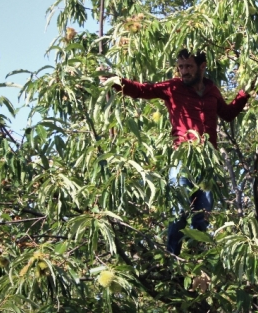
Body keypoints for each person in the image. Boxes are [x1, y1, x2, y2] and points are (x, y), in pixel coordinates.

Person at [105, 49, 249, 255]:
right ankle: (173, 259)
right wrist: (116, 81)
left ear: (202, 66)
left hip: (208, 161)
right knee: (178, 211)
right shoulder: (172, 87)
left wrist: (244, 94)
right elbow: (142, 90)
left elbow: (227, 114)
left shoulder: (211, 89)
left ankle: (197, 260)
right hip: (182, 158)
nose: (184, 71)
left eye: (189, 66)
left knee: (203, 214)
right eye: (180, 67)